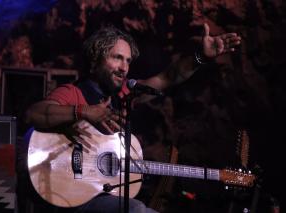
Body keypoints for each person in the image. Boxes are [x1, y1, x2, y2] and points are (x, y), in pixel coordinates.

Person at [24, 24, 241, 213]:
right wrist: (84, 112)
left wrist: (200, 57)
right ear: (95, 60)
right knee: (135, 210)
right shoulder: (73, 93)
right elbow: (33, 114)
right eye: (117, 57)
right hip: (68, 197)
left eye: (128, 60)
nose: (124, 67)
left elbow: (168, 77)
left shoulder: (124, 96)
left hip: (102, 196)